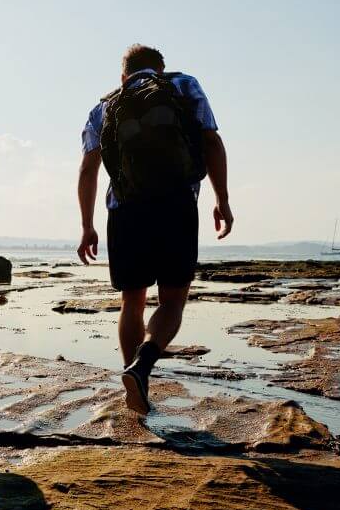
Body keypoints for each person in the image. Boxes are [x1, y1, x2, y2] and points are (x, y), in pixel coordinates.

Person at [76, 44, 232, 414]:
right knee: (173, 300)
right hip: (176, 205)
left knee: (132, 302)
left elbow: (88, 169)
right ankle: (142, 367)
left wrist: (87, 226)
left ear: (124, 76)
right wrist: (222, 199)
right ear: (160, 70)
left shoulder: (104, 107)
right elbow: (211, 141)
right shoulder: (182, 86)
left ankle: (134, 383)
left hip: (125, 210)